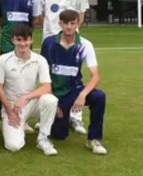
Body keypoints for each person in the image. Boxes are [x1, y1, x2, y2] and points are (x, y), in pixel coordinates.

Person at [40, 10, 107, 154]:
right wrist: (52, 101)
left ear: (78, 23)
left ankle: (94, 139)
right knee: (59, 136)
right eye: (65, 23)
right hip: (57, 93)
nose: (69, 27)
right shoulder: (49, 43)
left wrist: (82, 95)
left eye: (72, 23)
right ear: (60, 24)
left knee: (99, 96)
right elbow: (43, 74)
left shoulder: (85, 44)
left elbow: (95, 76)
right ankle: (64, 118)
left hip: (75, 90)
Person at [37, 0, 90, 135]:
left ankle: (76, 118)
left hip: (71, 40)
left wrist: (70, 33)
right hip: (50, 39)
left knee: (72, 76)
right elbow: (41, 15)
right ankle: (45, 115)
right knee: (48, 77)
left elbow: (81, 14)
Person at [0, 25, 58, 156]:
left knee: (50, 99)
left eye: (26, 40)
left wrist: (25, 97)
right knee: (13, 146)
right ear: (13, 40)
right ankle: (20, 125)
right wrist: (10, 112)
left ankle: (43, 138)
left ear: (32, 40)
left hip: (31, 103)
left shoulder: (40, 60)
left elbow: (47, 87)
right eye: (19, 40)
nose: (23, 44)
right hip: (11, 107)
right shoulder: (3, 60)